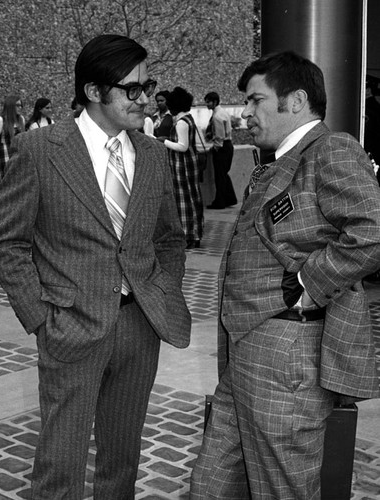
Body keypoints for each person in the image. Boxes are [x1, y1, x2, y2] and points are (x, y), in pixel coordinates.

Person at [0, 34, 191, 499]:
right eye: (132, 89)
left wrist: (159, 293)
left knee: (122, 460)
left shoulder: (153, 154)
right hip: (70, 328)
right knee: (60, 464)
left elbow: (169, 238)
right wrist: (41, 319)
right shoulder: (39, 150)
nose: (145, 99)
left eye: (148, 85)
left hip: (139, 327)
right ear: (94, 91)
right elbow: (7, 243)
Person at [190, 51, 380, 499]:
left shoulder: (331, 149)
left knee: (284, 489)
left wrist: (305, 285)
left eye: (256, 100)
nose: (247, 113)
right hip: (247, 350)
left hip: (286, 355)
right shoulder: (281, 161)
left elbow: (373, 228)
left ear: (296, 100)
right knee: (213, 483)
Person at [161, 86, 204, 249]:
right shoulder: (189, 118)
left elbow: (182, 146)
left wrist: (163, 141)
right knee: (193, 198)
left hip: (181, 165)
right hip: (190, 164)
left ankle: (187, 234)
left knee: (183, 199)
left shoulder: (181, 123)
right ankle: (195, 234)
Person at [204, 91, 237, 209]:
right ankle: (229, 199)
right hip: (228, 145)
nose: (207, 104)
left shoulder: (217, 116)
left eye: (208, 102)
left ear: (214, 102)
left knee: (220, 176)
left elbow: (219, 136)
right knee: (223, 174)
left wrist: (215, 148)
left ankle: (220, 202)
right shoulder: (223, 112)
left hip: (222, 147)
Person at [0, 94, 25, 185]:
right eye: (17, 105)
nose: (20, 107)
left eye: (21, 105)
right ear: (10, 106)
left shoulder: (21, 119)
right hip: (5, 156)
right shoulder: (0, 120)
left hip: (18, 156)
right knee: (6, 185)